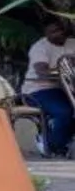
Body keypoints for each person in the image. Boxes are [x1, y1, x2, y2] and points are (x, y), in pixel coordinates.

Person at [22, 18, 75, 159]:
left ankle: (64, 142)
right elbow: (42, 72)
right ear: (46, 33)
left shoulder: (72, 44)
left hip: (65, 88)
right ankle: (50, 144)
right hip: (38, 90)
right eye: (53, 32)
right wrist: (65, 72)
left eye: (60, 30)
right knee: (64, 112)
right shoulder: (40, 47)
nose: (58, 34)